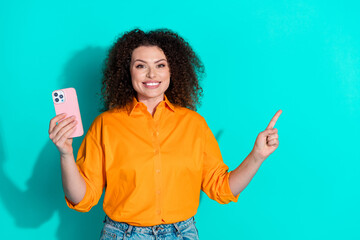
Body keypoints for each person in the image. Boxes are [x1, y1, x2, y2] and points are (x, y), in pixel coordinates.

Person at [48, 28, 282, 239]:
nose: (152, 74)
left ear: (173, 70)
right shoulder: (105, 125)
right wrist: (66, 154)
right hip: (122, 234)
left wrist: (257, 156)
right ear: (127, 72)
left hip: (182, 234)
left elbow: (222, 189)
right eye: (141, 65)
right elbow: (82, 198)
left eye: (160, 65)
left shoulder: (194, 124)